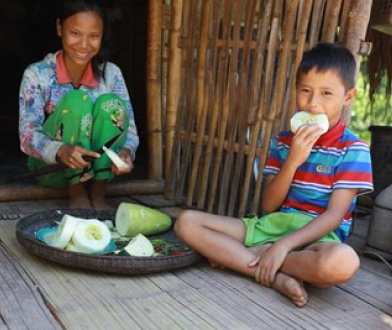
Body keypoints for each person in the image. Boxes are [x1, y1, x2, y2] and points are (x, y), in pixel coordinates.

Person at [174, 42, 373, 307]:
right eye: (305, 91)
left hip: (318, 238)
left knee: (342, 263)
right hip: (274, 224)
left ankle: (255, 257)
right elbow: (269, 205)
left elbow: (334, 216)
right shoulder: (282, 142)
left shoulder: (354, 149)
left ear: (348, 97)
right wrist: (292, 161)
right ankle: (271, 273)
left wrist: (282, 247)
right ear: (296, 90)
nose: (313, 103)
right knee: (186, 222)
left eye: (326, 93)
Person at [19, 0, 139, 210]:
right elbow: (28, 135)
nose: (84, 45)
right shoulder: (37, 74)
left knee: (111, 104)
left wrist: (126, 152)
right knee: (76, 100)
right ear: (59, 28)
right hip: (52, 169)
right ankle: (77, 191)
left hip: (101, 169)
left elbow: (129, 131)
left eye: (93, 36)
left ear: (102, 36)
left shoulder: (111, 74)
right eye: (75, 33)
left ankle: (98, 192)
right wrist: (61, 150)